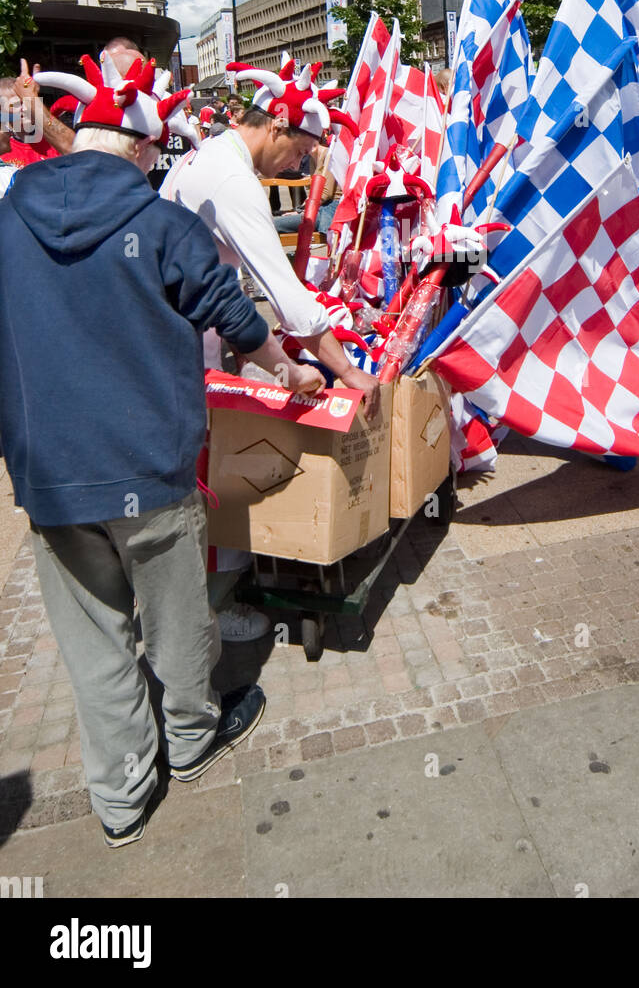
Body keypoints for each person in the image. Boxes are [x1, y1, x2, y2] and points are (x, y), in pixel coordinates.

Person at [0, 59, 325, 848]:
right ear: (144, 150)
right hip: (150, 465)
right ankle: (189, 739)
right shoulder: (164, 223)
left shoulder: (8, 217)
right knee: (176, 622)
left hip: (51, 476)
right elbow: (236, 321)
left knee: (94, 638)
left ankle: (119, 798)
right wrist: (291, 367)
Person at [161, 61, 380, 638]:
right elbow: (288, 299)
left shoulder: (211, 156)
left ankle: (204, 598)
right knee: (211, 476)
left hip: (188, 335)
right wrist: (346, 371)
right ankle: (206, 613)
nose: (302, 165)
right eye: (302, 151)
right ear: (277, 126)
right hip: (183, 346)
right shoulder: (233, 181)